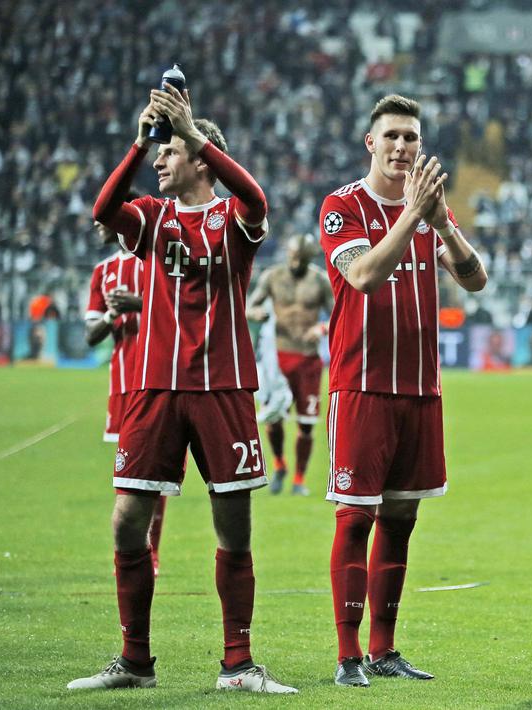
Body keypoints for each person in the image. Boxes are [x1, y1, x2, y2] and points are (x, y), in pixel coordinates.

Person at [70, 82, 296, 694]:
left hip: (223, 388)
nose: (161, 161)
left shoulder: (233, 220)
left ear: (200, 157)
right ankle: (135, 661)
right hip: (154, 388)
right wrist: (140, 143)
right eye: (160, 152)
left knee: (234, 527)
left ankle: (239, 665)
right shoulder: (150, 217)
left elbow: (255, 195)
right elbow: (102, 208)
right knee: (127, 523)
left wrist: (191, 130)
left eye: (170, 152)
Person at [319, 94, 487, 688]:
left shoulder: (430, 209)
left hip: (420, 389)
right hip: (362, 386)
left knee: (401, 517)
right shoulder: (343, 206)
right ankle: (347, 655)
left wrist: (441, 223)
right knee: (355, 516)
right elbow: (362, 275)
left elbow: (475, 280)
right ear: (371, 143)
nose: (401, 147)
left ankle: (384, 649)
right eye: (391, 136)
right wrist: (414, 217)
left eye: (411, 138)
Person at [85, 212, 172, 576]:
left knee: (159, 473)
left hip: (162, 379)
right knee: (130, 474)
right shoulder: (102, 272)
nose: (96, 222)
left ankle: (150, 551)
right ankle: (135, 549)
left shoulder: (158, 260)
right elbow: (90, 335)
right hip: (123, 386)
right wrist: (110, 316)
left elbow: (186, 307)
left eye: (103, 215)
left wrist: (139, 304)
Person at [247, 234, 333, 495]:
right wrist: (256, 314)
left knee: (306, 423)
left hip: (307, 359)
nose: (296, 261)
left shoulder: (320, 281)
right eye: (293, 256)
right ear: (287, 253)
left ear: (310, 257)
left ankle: (298, 479)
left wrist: (321, 328)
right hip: (278, 358)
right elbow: (249, 305)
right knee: (274, 419)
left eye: (301, 258)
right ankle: (280, 464)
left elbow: (338, 315)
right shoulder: (272, 277)